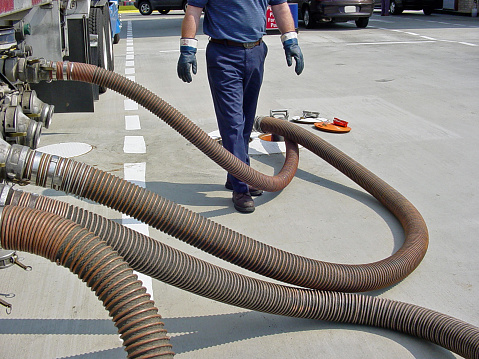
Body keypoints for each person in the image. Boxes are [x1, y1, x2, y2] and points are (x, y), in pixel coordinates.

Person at [177, 0, 304, 213]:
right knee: (233, 124)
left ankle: (235, 174)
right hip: (223, 55)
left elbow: (280, 6)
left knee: (245, 123)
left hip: (256, 52)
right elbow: (193, 12)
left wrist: (290, 41)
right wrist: (187, 49)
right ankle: (241, 187)